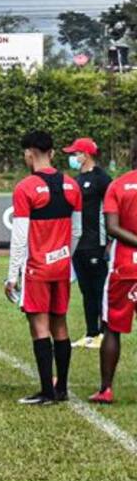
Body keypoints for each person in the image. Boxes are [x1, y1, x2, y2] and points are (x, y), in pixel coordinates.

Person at [5, 130, 82, 405]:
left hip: (37, 269)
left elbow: (20, 237)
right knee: (60, 323)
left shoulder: (25, 188)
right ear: (52, 152)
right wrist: (64, 257)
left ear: (28, 153)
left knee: (39, 326)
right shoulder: (72, 186)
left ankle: (46, 392)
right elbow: (77, 231)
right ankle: (61, 388)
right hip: (61, 267)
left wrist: (12, 275)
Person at [90, 143, 137, 404]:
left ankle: (106, 389)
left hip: (125, 266)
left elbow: (112, 227)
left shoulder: (118, 186)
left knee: (111, 328)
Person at [63, 137, 111, 349]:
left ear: (86, 154)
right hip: (79, 244)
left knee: (99, 289)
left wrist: (108, 241)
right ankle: (91, 332)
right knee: (85, 290)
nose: (73, 157)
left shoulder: (102, 179)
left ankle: (104, 332)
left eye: (76, 153)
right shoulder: (76, 180)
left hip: (96, 243)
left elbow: (111, 210)